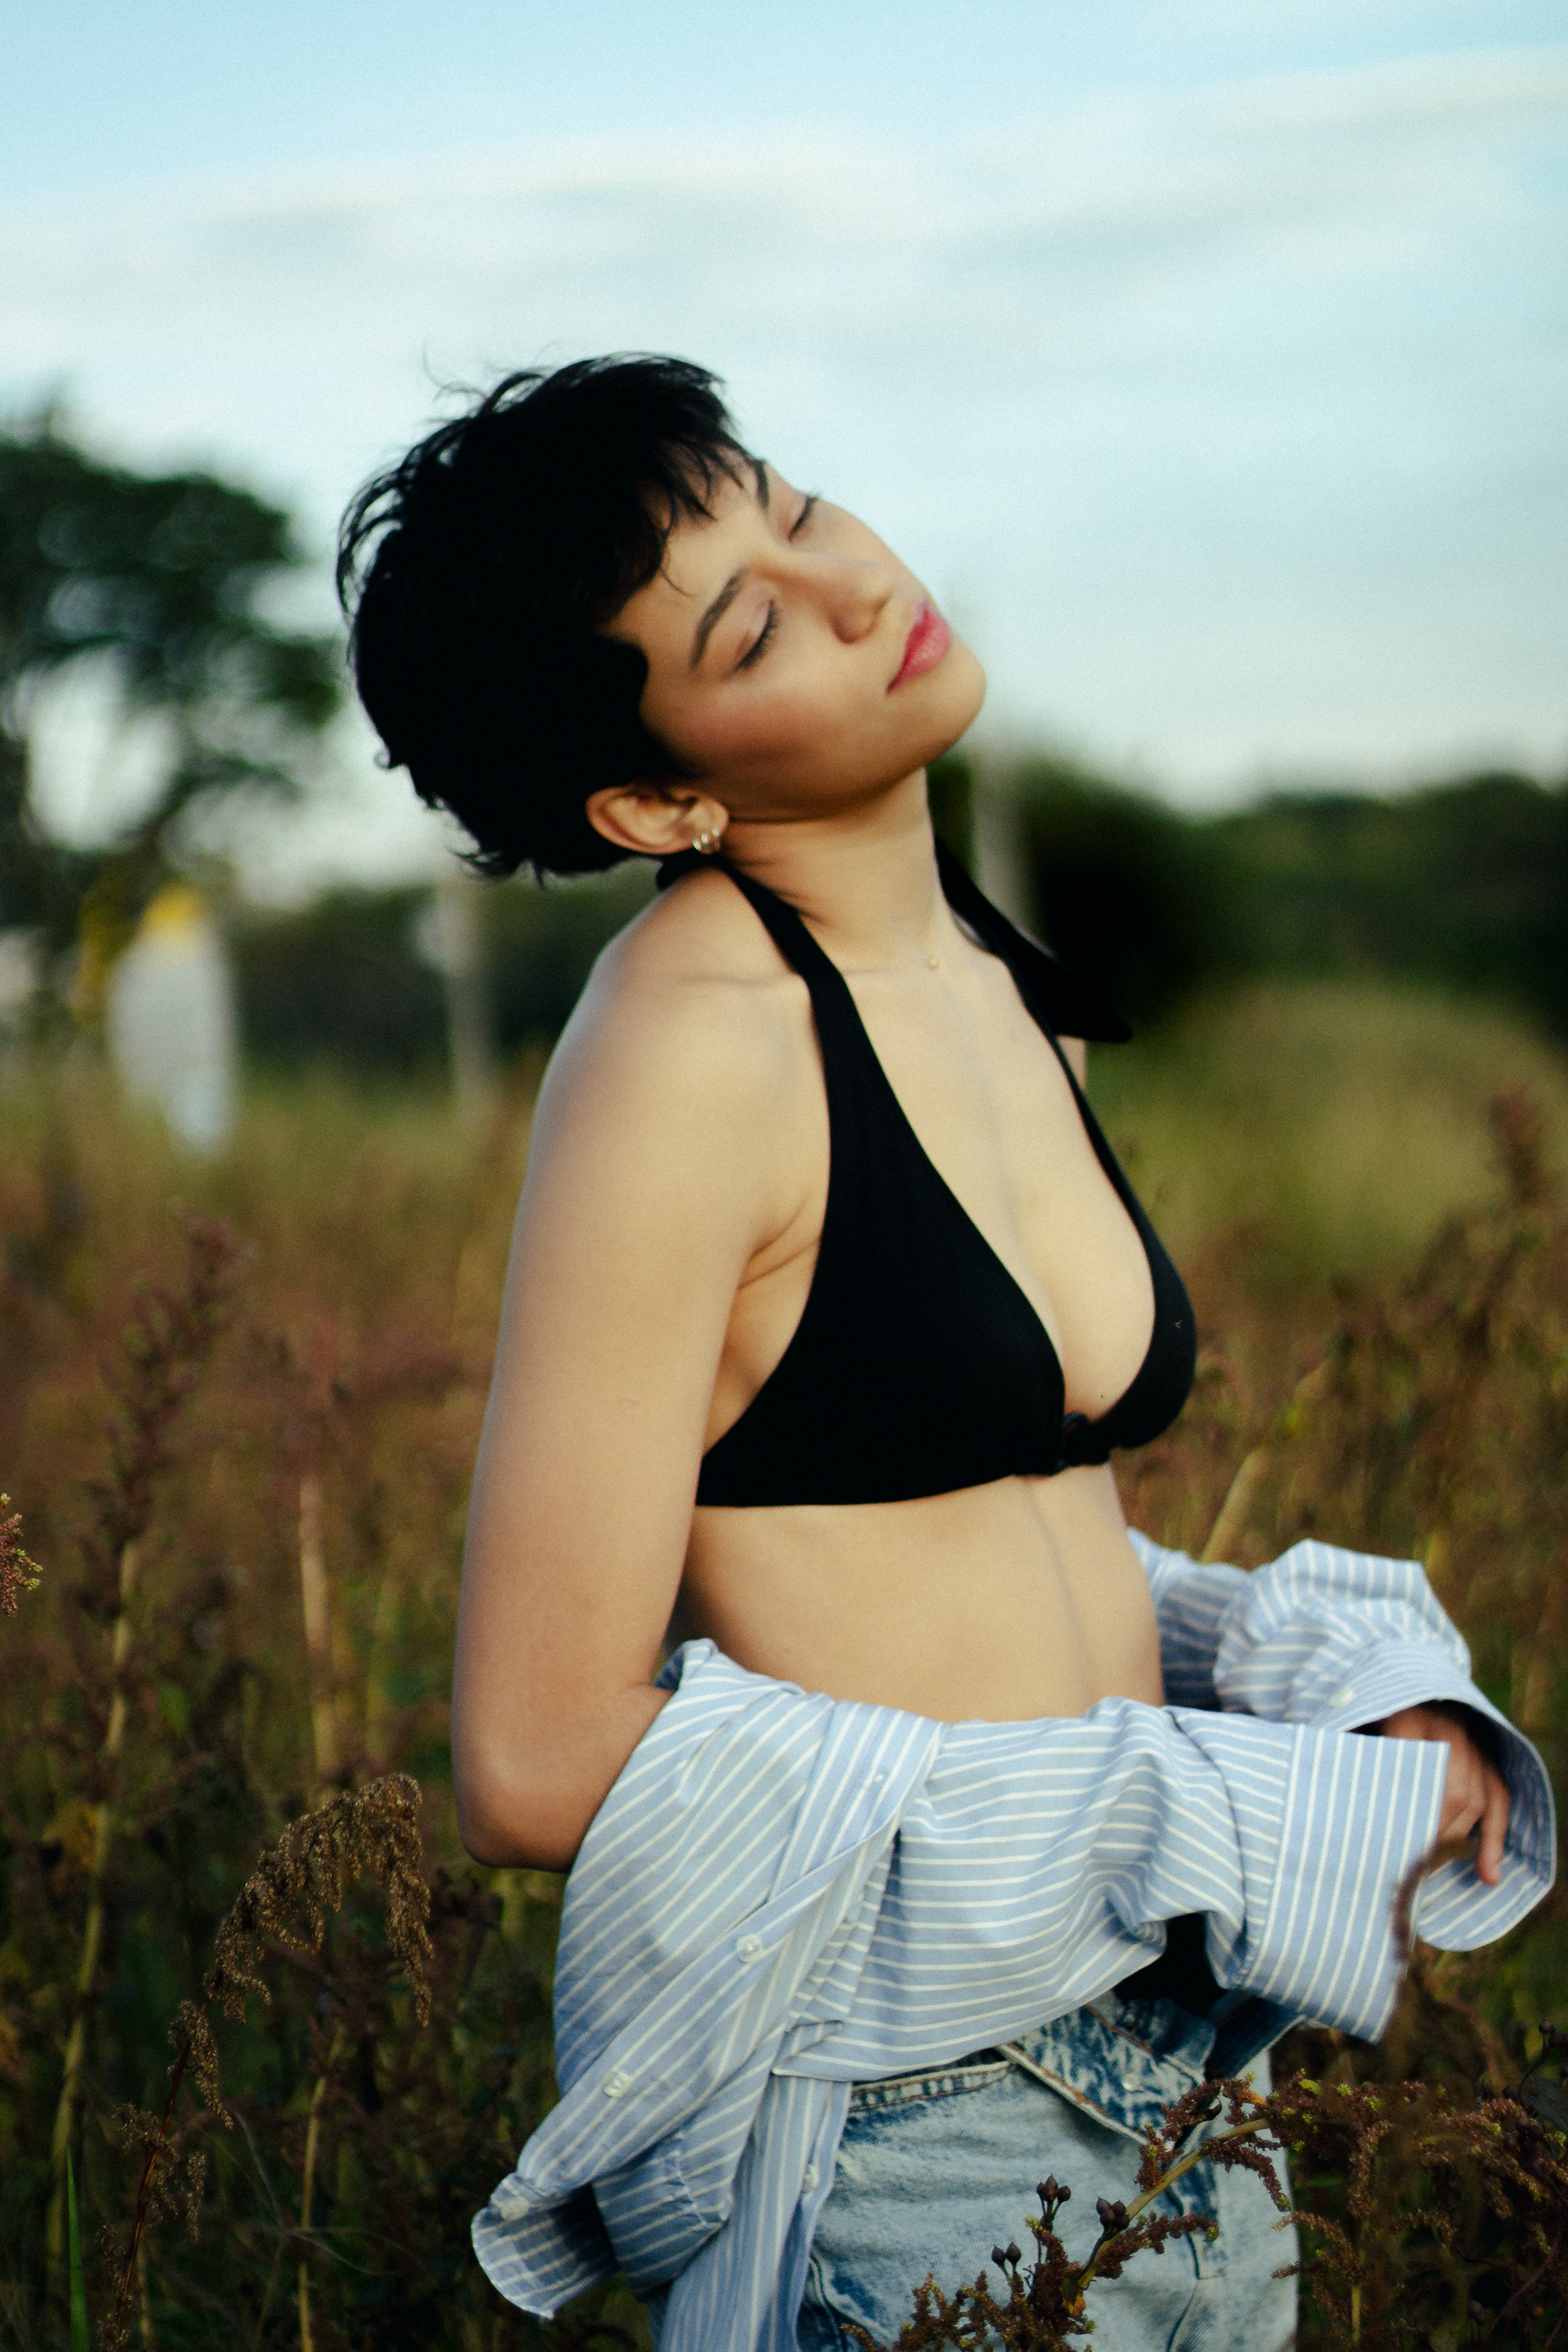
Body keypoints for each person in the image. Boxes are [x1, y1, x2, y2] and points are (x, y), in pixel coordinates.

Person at [336, 357, 1553, 2352]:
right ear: (658, 801)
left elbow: (990, 1548)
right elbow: (534, 1760)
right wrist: (1205, 1810)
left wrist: (1329, 1705)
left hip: (1197, 2071)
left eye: (799, 509)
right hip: (922, 2129)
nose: (853, 585)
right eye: (750, 630)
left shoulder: (993, 977)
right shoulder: (690, 1047)